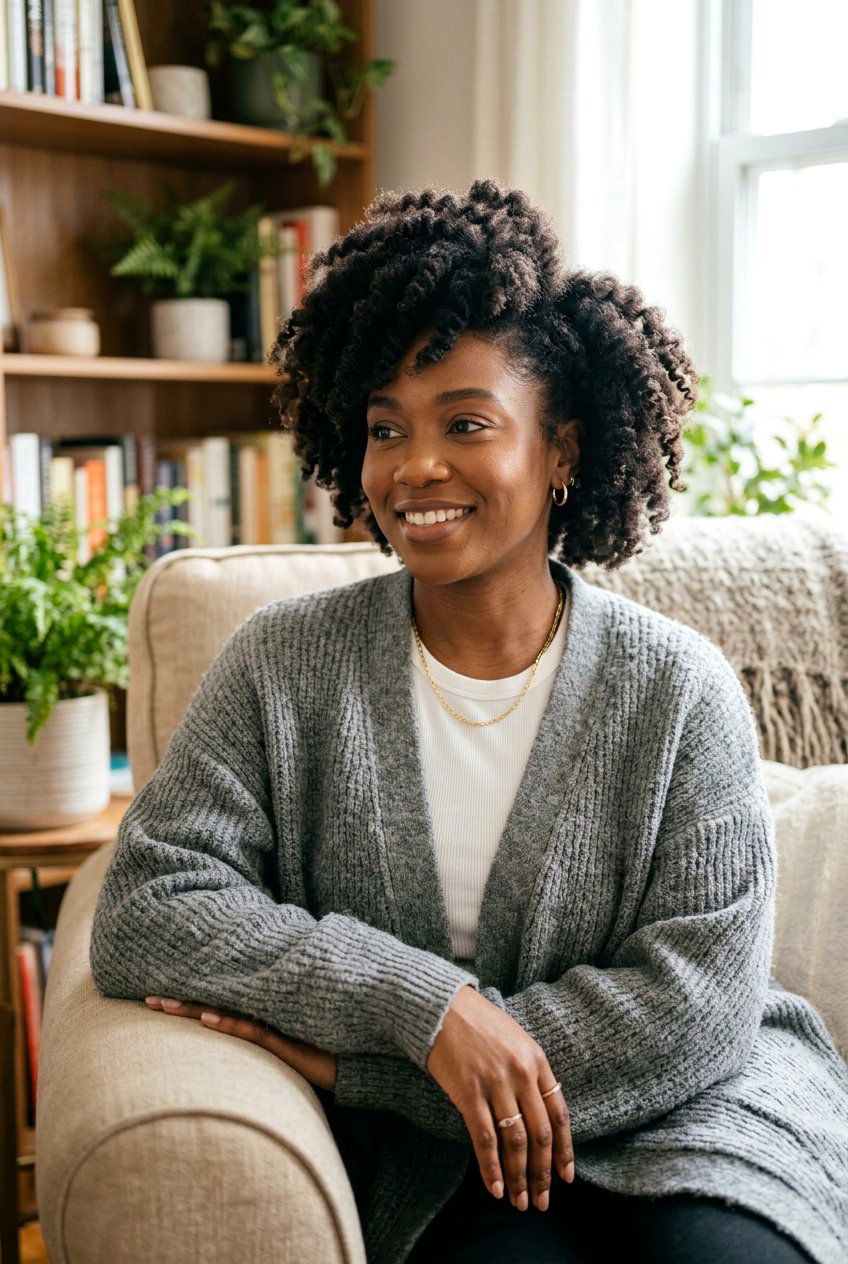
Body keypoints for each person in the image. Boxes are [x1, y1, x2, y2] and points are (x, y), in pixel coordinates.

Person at [93, 180, 847, 1264]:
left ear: (561, 452)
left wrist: (377, 1069)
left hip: (699, 1123)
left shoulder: (678, 690)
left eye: (466, 423)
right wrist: (427, 1008)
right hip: (451, 1164)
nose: (414, 467)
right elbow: (150, 907)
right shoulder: (282, 665)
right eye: (384, 427)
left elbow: (700, 1004)